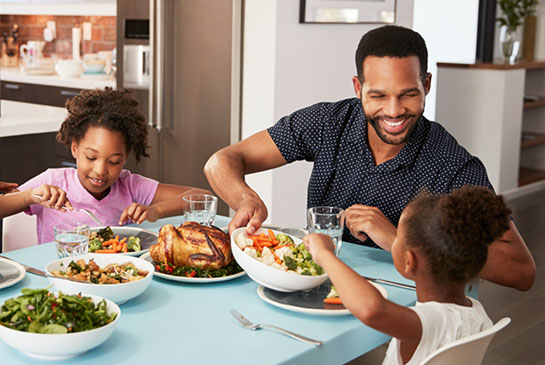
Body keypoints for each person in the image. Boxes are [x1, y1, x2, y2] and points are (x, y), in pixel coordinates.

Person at [204, 25, 535, 290]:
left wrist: (400, 239)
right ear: (357, 87)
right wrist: (245, 198)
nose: (393, 111)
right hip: (315, 288)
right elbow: (222, 160)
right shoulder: (327, 123)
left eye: (408, 94)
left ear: (427, 85)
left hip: (399, 317)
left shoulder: (452, 165)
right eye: (378, 95)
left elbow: (521, 270)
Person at [304, 186, 509, 364]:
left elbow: (372, 309)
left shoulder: (429, 322)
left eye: (398, 237)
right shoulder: (477, 313)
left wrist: (325, 255)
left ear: (410, 261)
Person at [4, 87, 210, 244]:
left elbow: (202, 198)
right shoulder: (53, 181)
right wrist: (30, 196)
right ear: (75, 148)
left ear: (126, 156)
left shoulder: (130, 186)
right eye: (91, 158)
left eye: (114, 161)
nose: (101, 170)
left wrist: (155, 211)